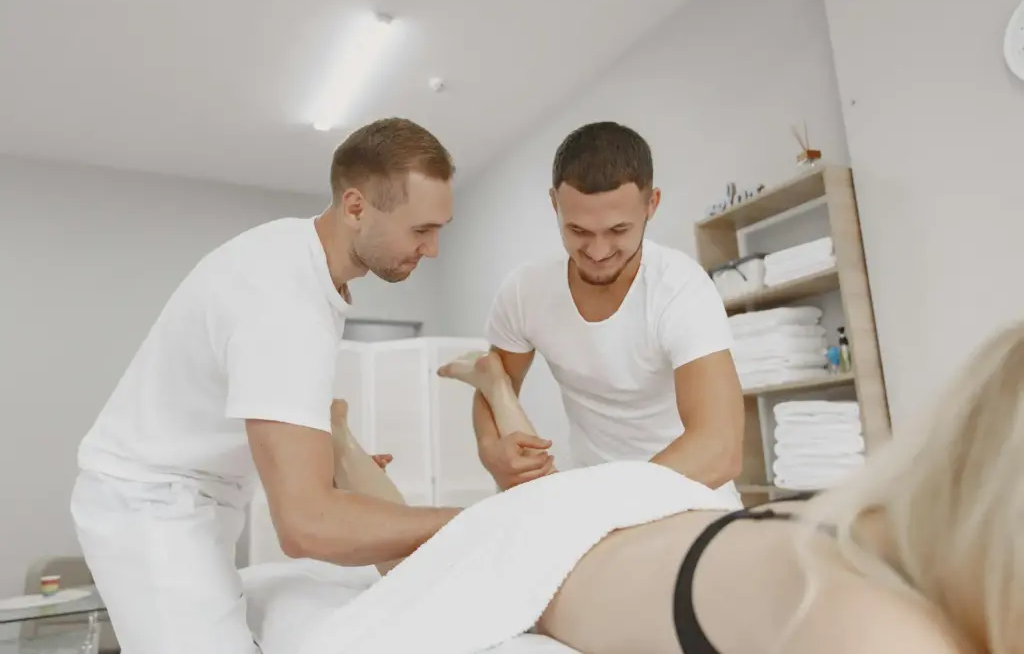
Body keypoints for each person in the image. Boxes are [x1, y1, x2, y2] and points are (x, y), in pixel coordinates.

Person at [69, 117, 464, 654]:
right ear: (355, 207)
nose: (434, 249)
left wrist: (332, 453)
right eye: (422, 230)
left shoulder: (303, 262)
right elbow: (305, 527)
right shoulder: (284, 303)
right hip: (149, 504)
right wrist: (473, 522)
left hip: (200, 497)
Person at [429, 323, 1023, 653]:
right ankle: (348, 443)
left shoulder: (906, 536)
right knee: (418, 562)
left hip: (647, 523)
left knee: (544, 492)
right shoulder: (883, 628)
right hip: (557, 556)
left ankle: (497, 388)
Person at [473, 121, 745, 496]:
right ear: (554, 204)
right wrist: (491, 450)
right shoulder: (524, 292)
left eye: (618, 231)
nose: (598, 252)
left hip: (692, 491)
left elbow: (719, 449)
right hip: (598, 502)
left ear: (652, 204)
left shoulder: (680, 288)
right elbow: (495, 383)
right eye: (579, 232)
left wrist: (605, 503)